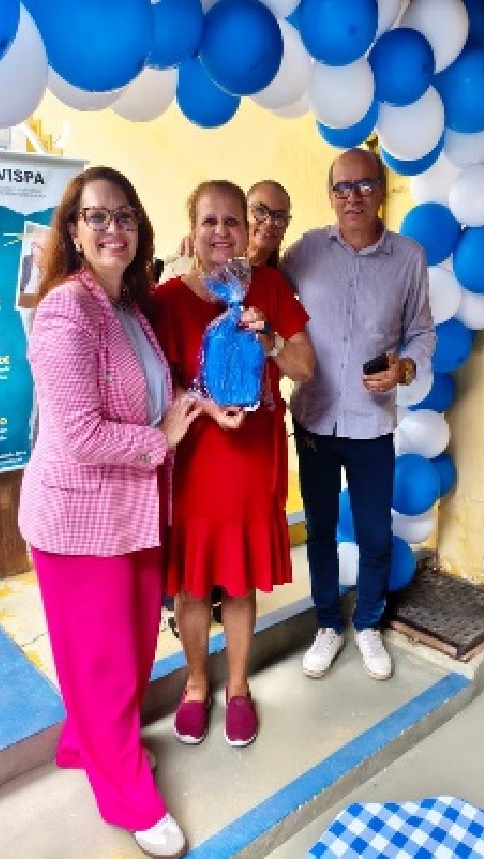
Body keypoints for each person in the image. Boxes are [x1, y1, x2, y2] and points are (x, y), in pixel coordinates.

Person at [18, 165, 202, 859]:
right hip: (78, 523)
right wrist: (164, 439)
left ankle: (86, 743)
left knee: (126, 651)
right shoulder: (67, 309)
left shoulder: (128, 306)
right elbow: (80, 434)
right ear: (72, 230)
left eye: (123, 215)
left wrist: (193, 403)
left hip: (133, 512)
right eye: (96, 216)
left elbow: (149, 392)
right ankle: (125, 792)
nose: (112, 228)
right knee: (104, 661)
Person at [152, 179, 314, 748]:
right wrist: (205, 408)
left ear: (247, 230)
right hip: (195, 465)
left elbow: (305, 367)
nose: (221, 231)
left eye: (232, 221)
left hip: (251, 462)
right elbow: (156, 389)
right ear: (192, 230)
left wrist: (270, 341)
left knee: (240, 583)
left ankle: (239, 686)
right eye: (210, 221)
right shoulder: (168, 299)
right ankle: (197, 685)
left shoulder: (267, 287)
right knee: (193, 586)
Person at [280, 148, 436, 683]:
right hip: (314, 421)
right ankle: (328, 623)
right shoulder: (306, 251)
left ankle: (368, 622)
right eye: (342, 188)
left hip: (371, 425)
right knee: (321, 530)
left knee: (374, 532)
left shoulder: (408, 258)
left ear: (382, 192)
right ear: (331, 195)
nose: (353, 198)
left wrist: (406, 367)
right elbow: (263, 285)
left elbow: (421, 330)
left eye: (365, 186)